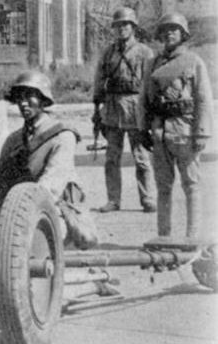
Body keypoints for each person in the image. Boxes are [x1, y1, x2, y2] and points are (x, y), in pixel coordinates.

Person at [0, 71, 97, 249]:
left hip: (55, 211)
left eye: (30, 96)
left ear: (43, 100)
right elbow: (2, 183)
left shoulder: (63, 136)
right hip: (19, 214)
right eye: (19, 97)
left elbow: (52, 184)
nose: (23, 103)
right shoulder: (13, 140)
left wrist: (20, 215)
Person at [138, 13, 213, 238]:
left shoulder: (194, 62)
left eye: (175, 29)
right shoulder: (152, 63)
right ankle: (164, 235)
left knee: (191, 184)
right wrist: (143, 129)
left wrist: (201, 133)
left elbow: (203, 99)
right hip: (160, 131)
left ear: (183, 34)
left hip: (185, 130)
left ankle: (193, 235)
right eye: (166, 30)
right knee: (163, 187)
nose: (170, 33)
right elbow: (143, 98)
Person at [92, 7, 156, 213]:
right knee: (111, 159)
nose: (121, 29)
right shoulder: (108, 52)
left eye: (125, 25)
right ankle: (113, 200)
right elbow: (99, 79)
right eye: (118, 26)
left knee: (142, 158)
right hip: (112, 108)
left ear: (133, 27)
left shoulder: (145, 52)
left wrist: (151, 111)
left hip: (136, 107)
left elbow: (152, 83)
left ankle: (147, 198)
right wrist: (97, 105)